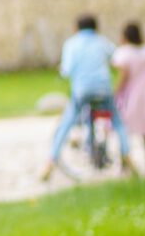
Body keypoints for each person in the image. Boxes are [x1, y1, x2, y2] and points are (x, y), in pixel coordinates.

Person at [41, 14, 136, 179]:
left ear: (76, 28)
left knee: (67, 122)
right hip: (103, 88)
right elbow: (117, 59)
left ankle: (51, 160)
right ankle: (126, 153)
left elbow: (66, 70)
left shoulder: (71, 44)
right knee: (118, 122)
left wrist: (62, 72)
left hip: (82, 90)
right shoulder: (102, 41)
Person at [113, 22, 145, 173]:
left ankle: (125, 164)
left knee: (125, 129)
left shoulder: (124, 53)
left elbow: (123, 77)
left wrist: (114, 93)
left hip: (130, 97)